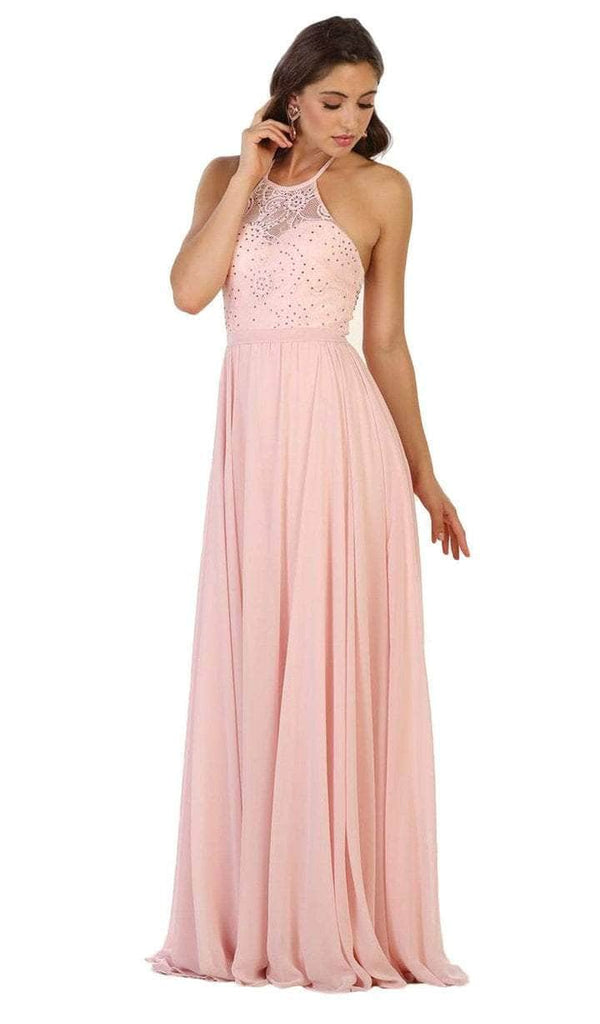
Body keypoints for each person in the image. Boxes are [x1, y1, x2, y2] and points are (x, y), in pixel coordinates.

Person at [146, 16, 470, 993]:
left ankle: (333, 911)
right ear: (290, 94)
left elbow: (386, 343)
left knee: (325, 655)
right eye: (333, 100)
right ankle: (256, 910)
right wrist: (250, 172)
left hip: (338, 444)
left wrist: (423, 473)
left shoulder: (382, 191)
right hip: (253, 445)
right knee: (256, 655)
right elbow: (188, 293)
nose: (351, 118)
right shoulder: (224, 177)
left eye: (365, 101)